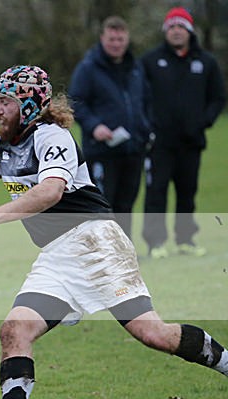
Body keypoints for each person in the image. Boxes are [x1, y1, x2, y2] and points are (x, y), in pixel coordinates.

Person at [0, 65, 227, 399]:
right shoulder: (7, 141)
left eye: (6, 102)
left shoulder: (52, 137)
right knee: (14, 330)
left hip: (96, 244)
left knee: (154, 334)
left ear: (30, 106)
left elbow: (51, 191)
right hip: (58, 255)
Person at [141, 7, 226, 258]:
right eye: (172, 27)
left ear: (190, 31)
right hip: (158, 142)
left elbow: (218, 98)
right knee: (156, 192)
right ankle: (155, 243)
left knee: (187, 193)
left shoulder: (206, 62)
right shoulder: (150, 61)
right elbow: (139, 97)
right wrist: (148, 125)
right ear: (165, 31)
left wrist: (204, 121)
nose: (176, 31)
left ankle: (185, 239)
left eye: (181, 27)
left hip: (191, 141)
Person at [68, 15, 152, 239]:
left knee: (126, 203)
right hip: (102, 151)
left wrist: (146, 128)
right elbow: (74, 102)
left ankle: (125, 250)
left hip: (133, 149)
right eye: (112, 39)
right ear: (102, 38)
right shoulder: (88, 68)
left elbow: (145, 101)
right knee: (103, 205)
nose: (116, 44)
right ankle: (102, 251)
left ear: (127, 39)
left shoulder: (135, 67)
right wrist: (94, 126)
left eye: (120, 39)